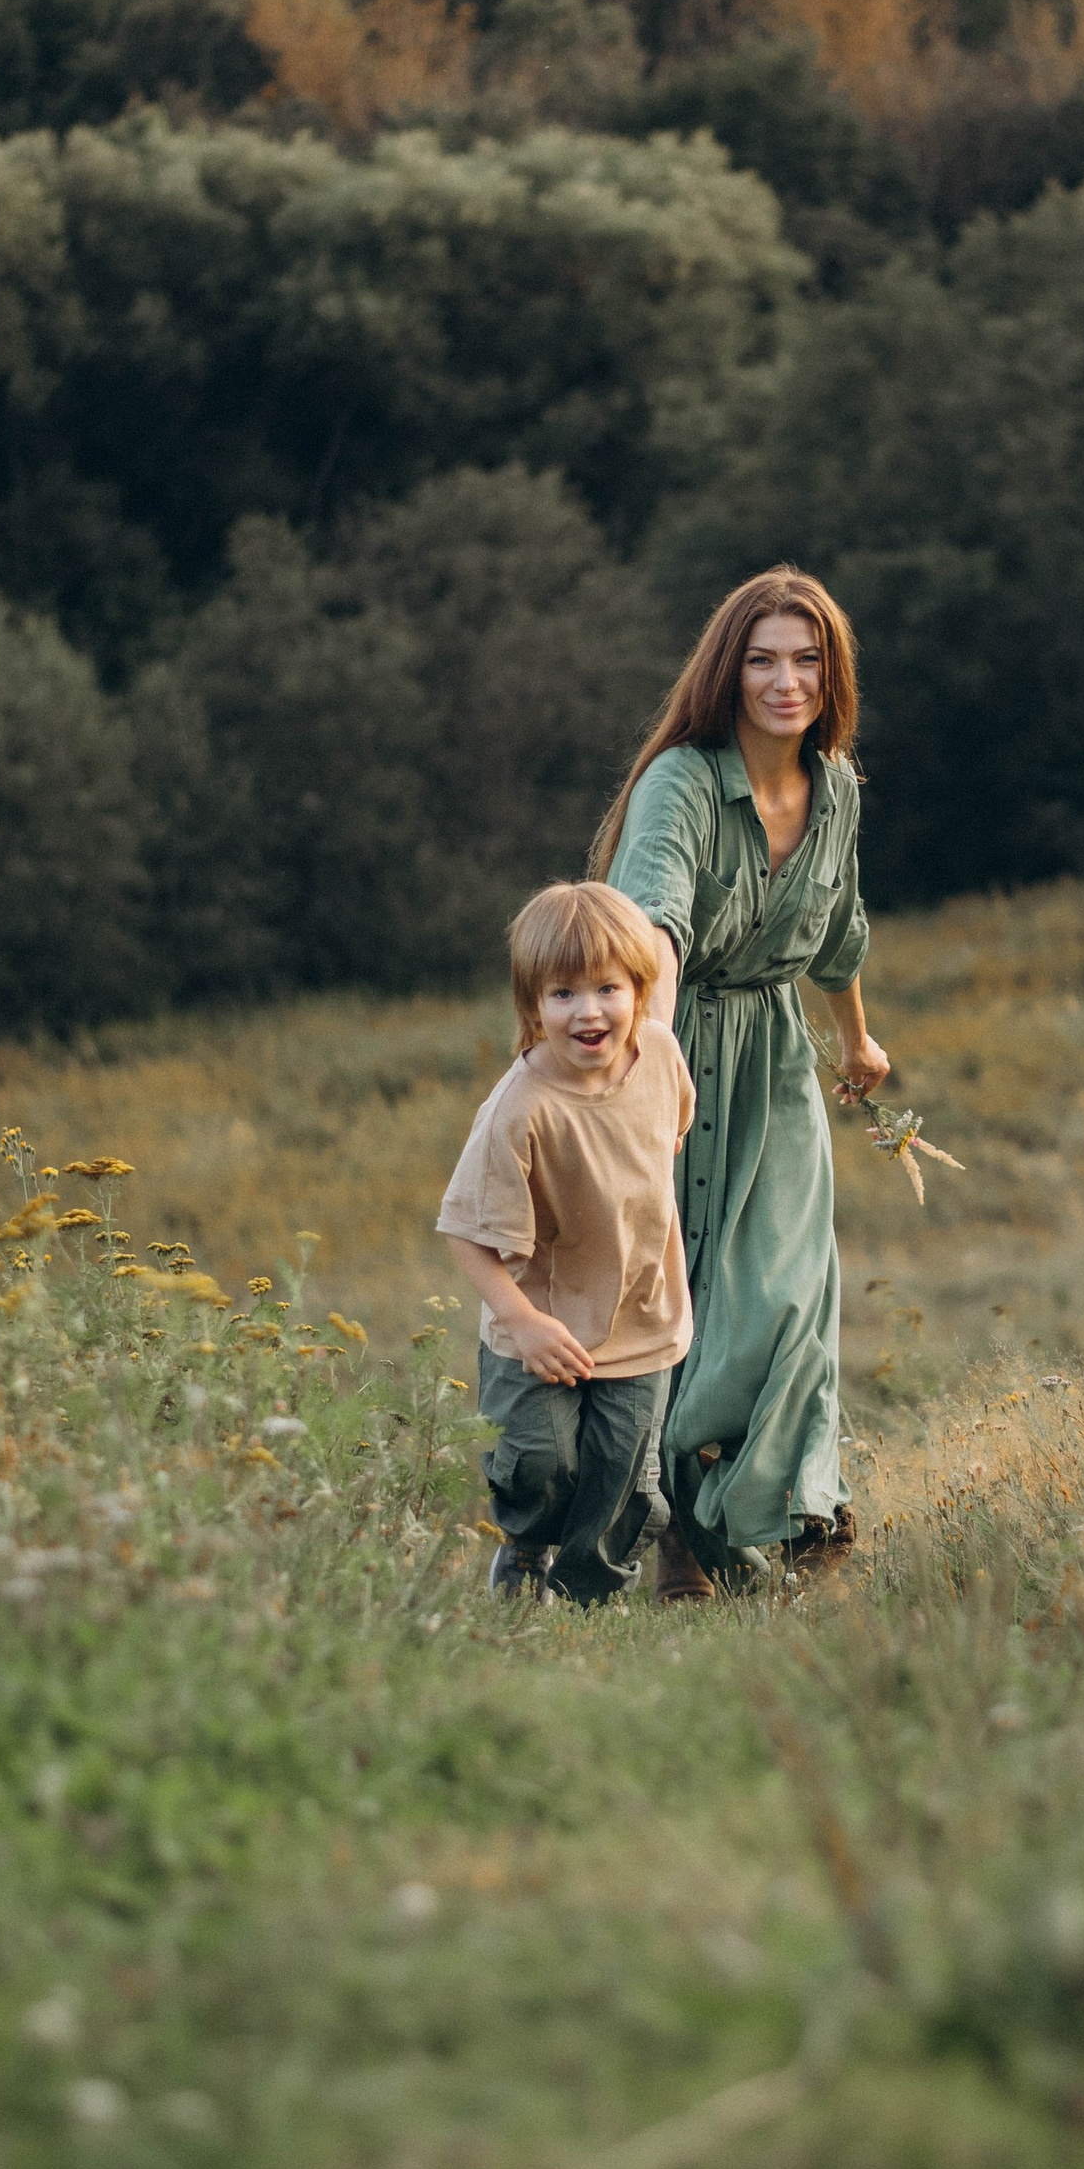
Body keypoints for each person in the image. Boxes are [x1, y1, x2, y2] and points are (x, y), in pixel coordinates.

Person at [591, 567, 889, 1592]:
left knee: (788, 1296)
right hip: (672, 1056)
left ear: (830, 673)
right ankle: (688, 1533)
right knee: (684, 1309)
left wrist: (856, 1044)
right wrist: (655, 1057)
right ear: (730, 669)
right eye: (762, 658)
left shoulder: (837, 786)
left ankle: (805, 1512)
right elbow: (654, 928)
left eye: (806, 659)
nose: (785, 679)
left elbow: (838, 931)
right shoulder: (681, 780)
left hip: (775, 1064)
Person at [437, 879, 695, 1605]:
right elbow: (465, 1231)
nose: (588, 1010)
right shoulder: (518, 1110)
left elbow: (666, 1136)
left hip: (643, 1315)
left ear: (640, 991)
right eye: (562, 994)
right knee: (543, 1461)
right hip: (541, 1322)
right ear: (532, 1006)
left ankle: (586, 1598)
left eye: (608, 987)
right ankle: (525, 1549)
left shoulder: (661, 1054)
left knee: (622, 1472)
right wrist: (521, 1321)